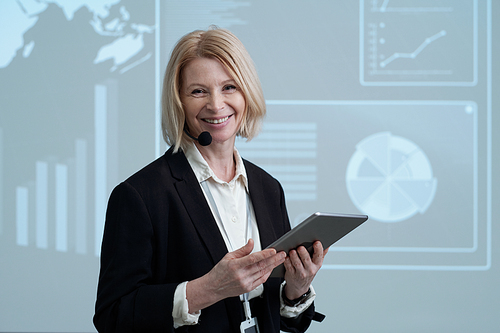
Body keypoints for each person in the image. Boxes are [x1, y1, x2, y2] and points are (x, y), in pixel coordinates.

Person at [93, 27, 328, 333]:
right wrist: (208, 289)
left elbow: (284, 318)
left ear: (247, 93)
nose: (216, 105)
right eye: (198, 91)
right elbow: (113, 316)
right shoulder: (140, 195)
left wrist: (295, 289)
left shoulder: (268, 188)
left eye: (229, 87)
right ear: (179, 101)